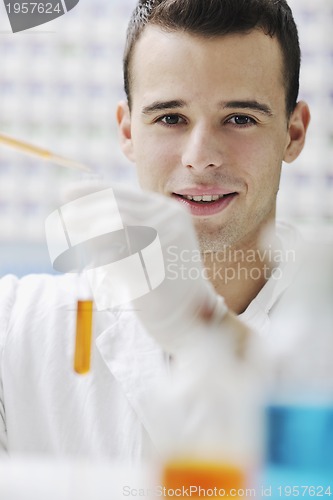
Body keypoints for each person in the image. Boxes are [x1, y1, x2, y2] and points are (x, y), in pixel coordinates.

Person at [0, 0, 310, 459]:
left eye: (240, 119)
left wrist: (207, 333)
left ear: (293, 132)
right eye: (170, 118)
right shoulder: (17, 329)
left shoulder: (319, 332)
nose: (200, 156)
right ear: (127, 132)